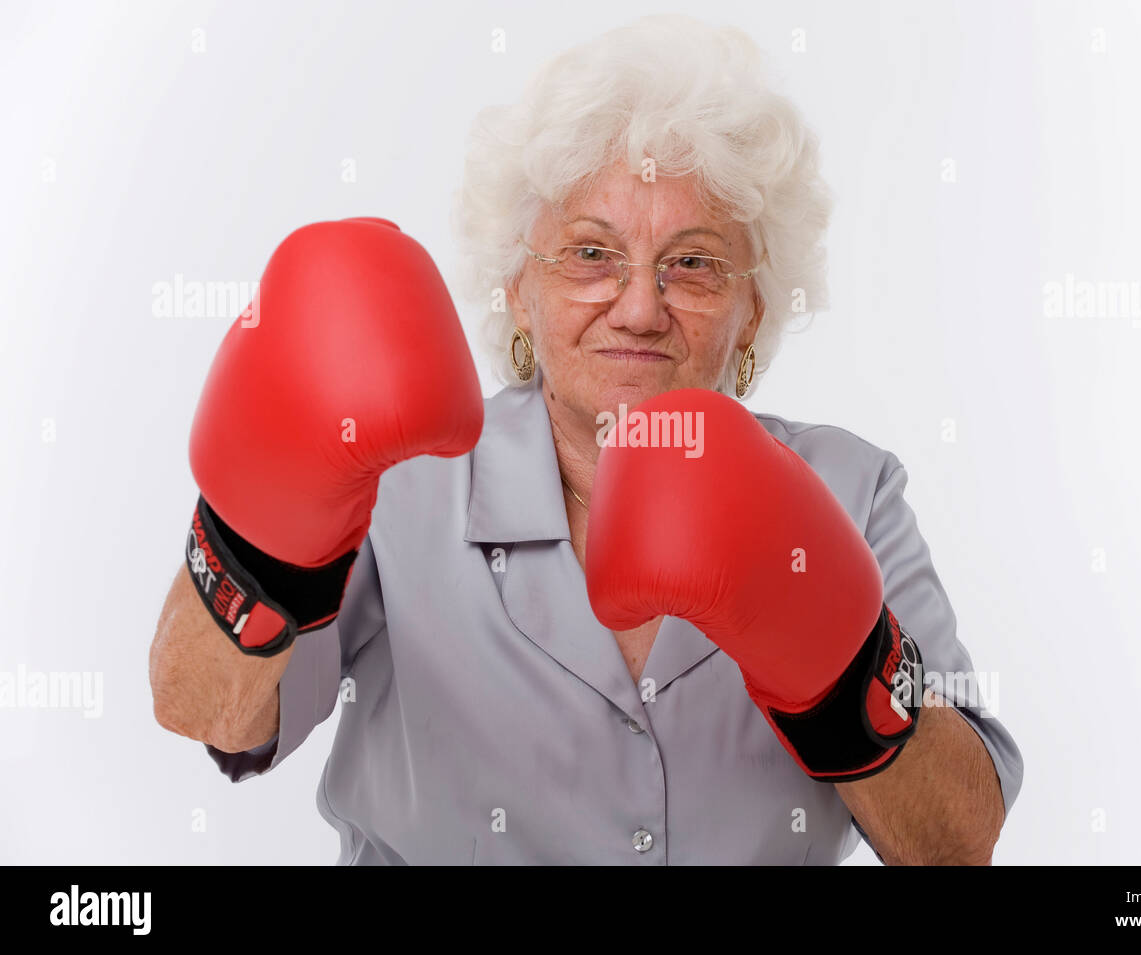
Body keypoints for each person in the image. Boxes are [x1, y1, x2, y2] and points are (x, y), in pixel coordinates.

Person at [150, 14, 1022, 865]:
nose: (640, 307)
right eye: (590, 254)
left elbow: (958, 842)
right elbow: (209, 712)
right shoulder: (401, 479)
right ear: (519, 287)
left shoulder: (851, 487)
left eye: (694, 263)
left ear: (754, 309)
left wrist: (845, 667)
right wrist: (255, 533)